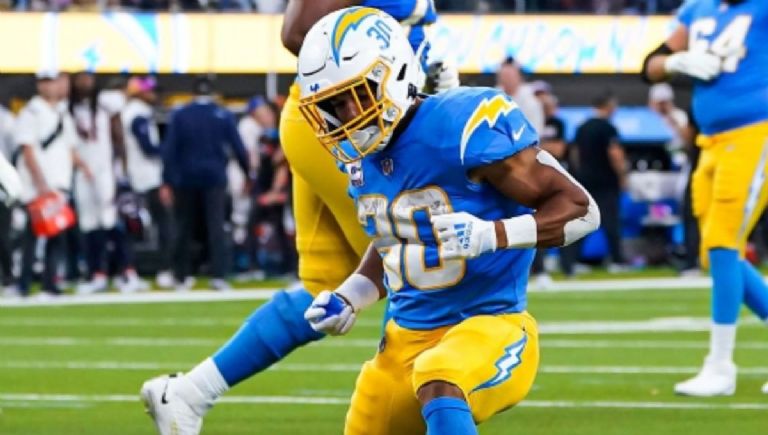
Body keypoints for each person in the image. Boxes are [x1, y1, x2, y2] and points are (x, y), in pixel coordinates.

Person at [140, 1, 458, 433]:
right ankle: (398, 413)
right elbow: (298, 32)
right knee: (407, 261)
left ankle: (187, 393)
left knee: (324, 286)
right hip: (350, 120)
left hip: (349, 118)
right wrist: (399, 73)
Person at [296, 9, 599, 433]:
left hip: (490, 325)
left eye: (356, 95)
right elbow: (395, 241)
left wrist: (491, 235)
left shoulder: (461, 126)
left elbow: (582, 210)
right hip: (404, 340)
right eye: (332, 106)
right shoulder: (359, 158)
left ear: (394, 74)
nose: (346, 115)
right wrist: (349, 297)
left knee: (441, 376)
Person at [642, 0, 768, 397]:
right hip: (710, 142)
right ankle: (719, 366)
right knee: (714, 254)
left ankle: (720, 366)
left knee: (722, 244)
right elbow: (650, 65)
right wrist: (676, 62)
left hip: (755, 133)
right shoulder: (698, 9)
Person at [161, 77, 251, 292]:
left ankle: (181, 276)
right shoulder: (222, 114)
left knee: (183, 227)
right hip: (214, 176)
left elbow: (169, 150)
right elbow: (238, 147)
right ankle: (219, 275)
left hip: (186, 177)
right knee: (216, 226)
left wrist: (167, 180)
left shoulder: (181, 114)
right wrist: (248, 173)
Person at [70, 71, 148, 294]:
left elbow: (118, 135)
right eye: (81, 79)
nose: (85, 83)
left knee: (114, 222)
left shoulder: (106, 104)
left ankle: (128, 271)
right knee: (89, 225)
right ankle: (97, 273)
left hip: (106, 171)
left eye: (88, 79)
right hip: (83, 174)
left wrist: (121, 168)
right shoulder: (69, 108)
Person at [15, 71, 84, 298]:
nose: (52, 86)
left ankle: (50, 282)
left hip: (60, 183)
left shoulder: (63, 112)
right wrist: (40, 183)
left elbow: (70, 148)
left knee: (57, 234)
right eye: (47, 82)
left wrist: (85, 170)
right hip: (39, 186)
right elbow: (27, 150)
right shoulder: (31, 112)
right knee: (32, 235)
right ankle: (23, 284)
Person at [121, 76, 175, 288]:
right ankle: (164, 269)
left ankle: (130, 271)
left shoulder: (134, 112)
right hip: (146, 178)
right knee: (161, 224)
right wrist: (170, 149)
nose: (154, 95)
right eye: (150, 91)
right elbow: (148, 148)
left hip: (137, 176)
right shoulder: (137, 113)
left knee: (135, 227)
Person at [572, 90, 628, 272]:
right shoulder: (608, 128)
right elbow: (615, 154)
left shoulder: (582, 128)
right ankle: (617, 260)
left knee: (583, 220)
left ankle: (574, 261)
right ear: (608, 106)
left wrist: (580, 173)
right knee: (611, 221)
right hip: (606, 181)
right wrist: (622, 176)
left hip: (585, 180)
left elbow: (575, 154)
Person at [496, 56, 545, 136]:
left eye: (510, 76)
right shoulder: (493, 98)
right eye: (504, 76)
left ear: (519, 77)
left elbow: (536, 131)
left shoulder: (531, 102)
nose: (507, 80)